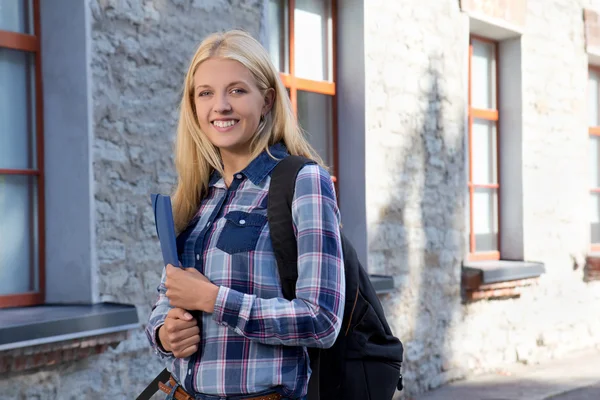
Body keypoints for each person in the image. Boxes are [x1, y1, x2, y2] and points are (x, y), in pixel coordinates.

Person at [145, 29, 345, 400]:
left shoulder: (302, 181)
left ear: (267, 100)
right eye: (205, 93)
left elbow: (322, 320)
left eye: (236, 90)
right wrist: (164, 332)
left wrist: (213, 300)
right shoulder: (197, 194)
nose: (220, 106)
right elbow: (166, 298)